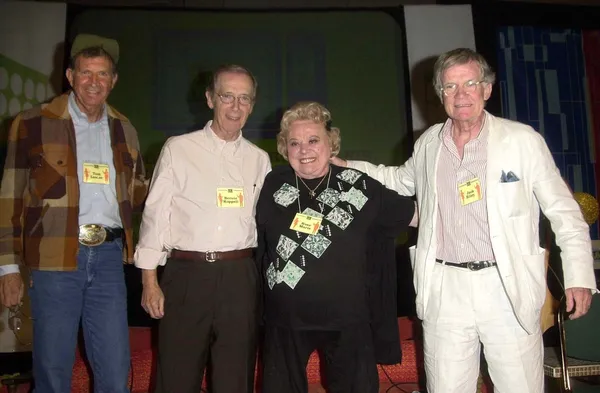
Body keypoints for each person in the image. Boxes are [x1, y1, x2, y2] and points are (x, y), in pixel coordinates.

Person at [332, 47, 598, 393]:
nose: (461, 95)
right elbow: (398, 179)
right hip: (445, 287)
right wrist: (348, 168)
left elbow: (565, 212)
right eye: (449, 87)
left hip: (506, 285)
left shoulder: (522, 141)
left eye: (470, 83)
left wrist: (578, 276)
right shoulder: (429, 143)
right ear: (439, 94)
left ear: (487, 89)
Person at [0, 33, 147, 392]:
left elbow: (138, 190)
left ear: (113, 81)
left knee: (115, 371)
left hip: (110, 259)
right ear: (69, 76)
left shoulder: (124, 128)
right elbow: (9, 198)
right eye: (85, 73)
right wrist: (7, 267)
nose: (93, 82)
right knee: (52, 371)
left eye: (102, 75)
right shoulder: (32, 122)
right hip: (53, 260)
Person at [256, 101, 417, 393]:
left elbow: (417, 216)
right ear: (284, 149)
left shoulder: (358, 186)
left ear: (331, 143)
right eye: (295, 143)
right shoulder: (272, 184)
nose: (304, 150)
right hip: (285, 320)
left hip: (347, 319)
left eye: (313, 140)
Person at [134, 64, 271, 393]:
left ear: (252, 105)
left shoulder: (259, 160)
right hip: (186, 276)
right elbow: (155, 216)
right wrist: (149, 282)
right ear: (210, 99)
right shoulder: (178, 149)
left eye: (244, 98)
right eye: (227, 96)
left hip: (240, 277)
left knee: (235, 378)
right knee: (177, 377)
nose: (235, 107)